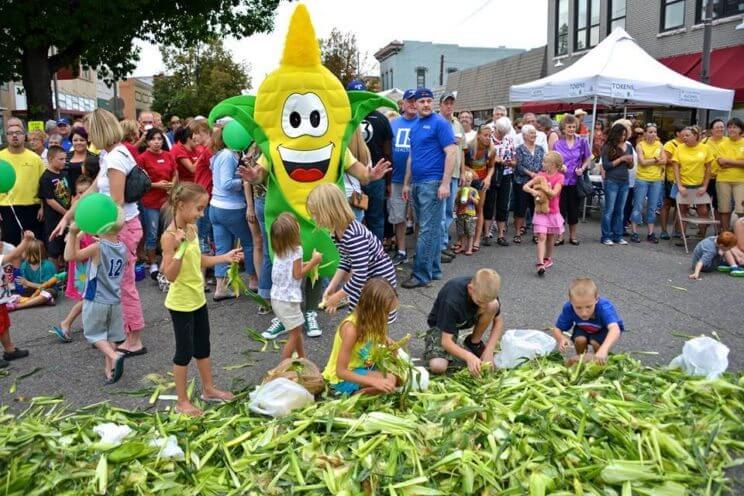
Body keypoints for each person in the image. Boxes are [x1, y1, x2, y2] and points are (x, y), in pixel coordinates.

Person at [50, 109, 147, 356]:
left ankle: (134, 339)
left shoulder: (115, 158)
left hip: (120, 229)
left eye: (90, 130)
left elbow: (114, 204)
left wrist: (81, 227)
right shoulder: (109, 154)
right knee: (116, 283)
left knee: (123, 285)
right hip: (115, 229)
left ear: (100, 130)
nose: (87, 135)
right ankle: (126, 332)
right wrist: (67, 217)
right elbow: (91, 191)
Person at [160, 182, 241, 416]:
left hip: (197, 299)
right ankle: (182, 401)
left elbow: (198, 261)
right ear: (181, 205)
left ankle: (208, 389)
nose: (202, 214)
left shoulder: (192, 229)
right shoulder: (169, 237)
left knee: (203, 346)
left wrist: (223, 257)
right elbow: (170, 275)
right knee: (184, 352)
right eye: (199, 208)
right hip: (181, 303)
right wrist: (181, 245)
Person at [308, 183, 398, 320]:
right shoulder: (336, 231)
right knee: (357, 321)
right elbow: (346, 260)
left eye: (315, 213)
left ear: (328, 211)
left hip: (378, 284)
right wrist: (332, 287)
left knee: (371, 324)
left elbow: (359, 276)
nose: (313, 218)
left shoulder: (354, 236)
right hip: (364, 282)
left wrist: (337, 297)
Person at [401, 88, 456, 289]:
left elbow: (451, 152)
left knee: (426, 230)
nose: (424, 104)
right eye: (421, 101)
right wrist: (407, 183)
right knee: (427, 229)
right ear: (414, 104)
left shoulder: (440, 123)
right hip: (417, 183)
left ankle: (421, 275)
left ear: (432, 103)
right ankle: (433, 270)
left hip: (432, 184)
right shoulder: (415, 126)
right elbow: (411, 157)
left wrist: (444, 183)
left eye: (428, 101)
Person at [65, 214, 127, 384]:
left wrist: (72, 234)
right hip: (115, 301)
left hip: (96, 299)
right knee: (111, 336)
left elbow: (70, 256)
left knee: (94, 335)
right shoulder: (122, 247)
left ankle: (115, 356)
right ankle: (110, 371)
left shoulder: (97, 247)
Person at [323, 278, 401, 395]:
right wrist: (373, 381)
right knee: (390, 380)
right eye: (385, 313)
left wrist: (390, 345)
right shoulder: (351, 329)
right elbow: (341, 372)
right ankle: (355, 395)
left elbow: (380, 339)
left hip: (364, 367)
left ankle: (370, 389)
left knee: (398, 376)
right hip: (343, 378)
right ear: (372, 310)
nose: (386, 317)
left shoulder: (373, 322)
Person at [263, 212, 322, 358]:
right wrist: (314, 262)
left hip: (277, 298)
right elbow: (297, 274)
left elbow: (291, 268)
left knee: (296, 331)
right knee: (295, 335)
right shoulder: (297, 250)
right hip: (289, 300)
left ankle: (302, 358)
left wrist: (306, 264)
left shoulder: (279, 250)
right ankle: (283, 366)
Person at [424, 269, 504, 376]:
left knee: (493, 305)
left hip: (465, 319)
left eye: (486, 302)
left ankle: (473, 343)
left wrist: (489, 350)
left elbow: (498, 321)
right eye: (480, 302)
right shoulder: (452, 300)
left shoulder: (487, 290)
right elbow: (446, 342)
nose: (484, 306)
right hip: (442, 325)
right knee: (438, 366)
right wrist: (469, 357)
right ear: (470, 289)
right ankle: (458, 354)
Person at [208, 126, 257, 299]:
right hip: (231, 208)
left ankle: (220, 288)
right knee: (250, 242)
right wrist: (245, 180)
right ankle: (253, 281)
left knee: (222, 248)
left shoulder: (219, 155)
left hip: (215, 207)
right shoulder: (229, 156)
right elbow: (227, 183)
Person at [347, 80, 393, 242]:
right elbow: (388, 153)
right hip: (353, 179)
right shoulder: (344, 120)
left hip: (369, 178)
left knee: (368, 219)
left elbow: (388, 153)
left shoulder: (346, 120)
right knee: (365, 219)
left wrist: (387, 182)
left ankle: (370, 255)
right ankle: (372, 255)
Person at [551, 278, 624, 364]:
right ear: (571, 302)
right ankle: (580, 361)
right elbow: (557, 329)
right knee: (580, 340)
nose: (584, 313)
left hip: (602, 329)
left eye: (588, 307)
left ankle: (600, 363)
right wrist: (561, 338)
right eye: (578, 308)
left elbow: (615, 329)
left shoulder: (604, 308)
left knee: (596, 343)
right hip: (584, 327)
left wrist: (603, 350)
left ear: (596, 299)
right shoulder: (568, 308)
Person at [138, 128, 178, 279]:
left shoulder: (168, 155)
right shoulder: (143, 158)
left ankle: (169, 261)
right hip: (150, 201)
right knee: (152, 234)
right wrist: (156, 185)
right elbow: (140, 181)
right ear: (147, 141)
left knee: (170, 231)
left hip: (168, 200)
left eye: (159, 139)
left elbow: (175, 173)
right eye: (153, 139)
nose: (156, 142)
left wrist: (172, 184)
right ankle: (153, 263)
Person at [0, 120, 45, 244]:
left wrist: (42, 206)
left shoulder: (35, 158)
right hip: (6, 207)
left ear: (24, 136)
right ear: (6, 137)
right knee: (11, 245)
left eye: (18, 132)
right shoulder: (0, 157)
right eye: (10, 133)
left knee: (33, 247)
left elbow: (43, 185)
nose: (14, 136)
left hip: (32, 207)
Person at [523, 151, 565, 276]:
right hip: (541, 211)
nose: (542, 163)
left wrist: (544, 187)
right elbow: (525, 186)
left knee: (551, 236)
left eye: (545, 162)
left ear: (553, 165)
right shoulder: (541, 175)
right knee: (541, 236)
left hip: (553, 211)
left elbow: (554, 193)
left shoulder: (560, 177)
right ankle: (540, 263)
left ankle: (548, 258)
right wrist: (533, 192)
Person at [388, 89, 417, 266]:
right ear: (403, 104)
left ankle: (421, 251)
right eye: (410, 101)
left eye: (416, 101)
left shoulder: (423, 123)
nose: (413, 104)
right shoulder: (393, 124)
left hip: (419, 179)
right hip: (397, 179)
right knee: (398, 217)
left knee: (420, 217)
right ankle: (401, 250)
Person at [554, 114, 592, 246]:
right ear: (563, 128)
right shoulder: (557, 144)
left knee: (574, 210)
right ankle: (560, 236)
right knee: (560, 209)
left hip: (576, 181)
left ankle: (573, 236)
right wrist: (560, 166)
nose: (571, 129)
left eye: (574, 126)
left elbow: (588, 157)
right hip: (561, 181)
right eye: (569, 126)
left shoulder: (582, 142)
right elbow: (553, 160)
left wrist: (583, 168)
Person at [671, 126, 714, 239]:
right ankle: (683, 236)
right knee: (682, 210)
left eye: (687, 135)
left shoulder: (705, 148)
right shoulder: (679, 148)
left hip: (699, 185)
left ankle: (702, 235)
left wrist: (705, 186)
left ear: (695, 136)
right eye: (683, 135)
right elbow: (675, 168)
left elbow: (709, 169)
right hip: (683, 184)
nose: (684, 137)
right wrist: (679, 186)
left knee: (703, 211)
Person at [0, 231, 34, 368]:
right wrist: (26, 240)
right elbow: (12, 256)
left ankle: (10, 350)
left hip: (1, 299)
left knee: (4, 326)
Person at [439, 92, 467, 259]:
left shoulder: (457, 123)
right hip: (442, 173)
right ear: (441, 105)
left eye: (451, 103)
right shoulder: (437, 122)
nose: (449, 106)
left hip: (456, 173)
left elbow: (462, 149)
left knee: (450, 210)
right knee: (441, 210)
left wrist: (463, 171)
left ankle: (444, 240)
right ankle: (442, 244)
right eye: (446, 103)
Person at [483, 117, 516, 247]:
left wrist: (510, 163)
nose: (502, 134)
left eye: (504, 132)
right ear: (495, 128)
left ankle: (501, 235)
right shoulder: (488, 139)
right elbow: (482, 158)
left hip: (506, 175)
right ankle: (486, 234)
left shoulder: (509, 140)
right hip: (490, 174)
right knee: (489, 205)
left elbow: (515, 161)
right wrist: (495, 160)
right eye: (500, 131)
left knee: (503, 205)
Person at [600, 123, 634, 246]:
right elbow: (606, 166)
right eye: (621, 134)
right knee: (609, 210)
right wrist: (621, 159)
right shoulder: (608, 146)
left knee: (620, 211)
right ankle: (606, 236)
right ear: (616, 134)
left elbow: (631, 166)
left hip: (625, 181)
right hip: (612, 180)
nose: (623, 137)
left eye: (625, 135)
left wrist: (629, 162)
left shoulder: (628, 146)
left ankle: (618, 235)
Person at [38, 145, 72, 264]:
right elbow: (50, 200)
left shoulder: (64, 174)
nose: (64, 162)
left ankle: (65, 278)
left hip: (67, 218)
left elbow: (69, 193)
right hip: (54, 220)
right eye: (61, 159)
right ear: (51, 159)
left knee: (66, 247)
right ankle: (53, 279)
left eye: (65, 159)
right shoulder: (46, 177)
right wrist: (67, 214)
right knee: (54, 250)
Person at [632, 124, 665, 243]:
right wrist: (656, 160)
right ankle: (634, 232)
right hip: (642, 179)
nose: (653, 134)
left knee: (652, 207)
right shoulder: (640, 145)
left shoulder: (660, 145)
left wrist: (655, 160)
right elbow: (642, 162)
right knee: (638, 205)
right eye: (650, 132)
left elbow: (665, 160)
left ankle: (651, 233)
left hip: (656, 179)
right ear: (645, 134)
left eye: (655, 132)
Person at [514, 124, 545, 243]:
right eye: (531, 133)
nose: (534, 135)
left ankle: (536, 233)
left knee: (536, 208)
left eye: (534, 133)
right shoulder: (519, 149)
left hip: (536, 184)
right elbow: (519, 166)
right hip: (522, 182)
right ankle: (517, 233)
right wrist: (531, 174)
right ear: (524, 135)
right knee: (520, 208)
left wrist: (541, 174)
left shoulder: (540, 149)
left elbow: (543, 163)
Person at [467, 124, 496, 250]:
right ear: (478, 135)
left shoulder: (491, 150)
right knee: (466, 209)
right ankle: (466, 239)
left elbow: (491, 166)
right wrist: (469, 170)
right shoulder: (468, 147)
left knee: (479, 209)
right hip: (468, 180)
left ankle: (477, 239)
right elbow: (461, 165)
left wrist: (489, 177)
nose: (488, 138)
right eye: (485, 135)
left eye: (490, 136)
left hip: (482, 180)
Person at [10, 240, 58, 310]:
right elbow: (25, 286)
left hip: (48, 289)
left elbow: (46, 285)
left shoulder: (48, 266)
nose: (27, 256)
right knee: (16, 295)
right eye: (27, 254)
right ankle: (40, 301)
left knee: (46, 294)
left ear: (40, 254)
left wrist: (27, 283)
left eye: (31, 254)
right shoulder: (24, 265)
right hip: (33, 290)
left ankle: (19, 306)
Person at [716, 118, 744, 231]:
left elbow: (726, 162)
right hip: (723, 179)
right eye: (730, 127)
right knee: (724, 209)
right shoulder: (722, 144)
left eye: (735, 127)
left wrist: (729, 161)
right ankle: (726, 234)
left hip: (741, 180)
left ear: (741, 129)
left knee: (741, 210)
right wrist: (739, 163)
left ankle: (740, 233)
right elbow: (721, 163)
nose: (732, 129)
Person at [660, 124, 685, 239]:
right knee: (667, 204)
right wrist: (678, 162)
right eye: (684, 132)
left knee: (679, 206)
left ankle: (676, 230)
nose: (686, 135)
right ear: (677, 133)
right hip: (670, 178)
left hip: (682, 178)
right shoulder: (670, 144)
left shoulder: (686, 145)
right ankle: (664, 231)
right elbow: (666, 160)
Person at [454, 170, 479, 255]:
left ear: (471, 181)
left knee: (470, 232)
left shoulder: (473, 190)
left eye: (468, 181)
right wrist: (458, 197)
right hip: (461, 213)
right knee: (461, 232)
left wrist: (471, 198)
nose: (466, 183)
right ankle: (462, 246)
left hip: (470, 214)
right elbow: (456, 202)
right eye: (464, 180)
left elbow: (477, 202)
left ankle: (469, 248)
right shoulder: (459, 190)